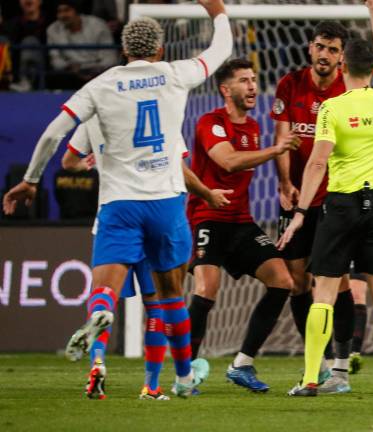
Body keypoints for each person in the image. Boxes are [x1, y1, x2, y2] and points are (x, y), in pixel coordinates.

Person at [2, 0, 233, 398]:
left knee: (105, 288)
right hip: (164, 201)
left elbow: (53, 135)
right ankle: (180, 378)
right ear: (159, 50)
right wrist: (218, 13)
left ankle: (100, 314)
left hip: (119, 205)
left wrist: (31, 180)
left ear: (123, 51)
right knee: (170, 296)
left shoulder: (100, 85)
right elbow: (220, 51)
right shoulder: (174, 74)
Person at [277, 0, 373, 397]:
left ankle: (311, 379)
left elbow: (317, 163)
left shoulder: (333, 108)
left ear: (342, 67)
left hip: (341, 206)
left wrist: (301, 213)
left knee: (324, 290)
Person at [62, 115, 231, 400]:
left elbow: (68, 162)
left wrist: (86, 163)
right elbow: (179, 169)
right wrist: (205, 193)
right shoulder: (159, 112)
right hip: (154, 220)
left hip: (113, 218)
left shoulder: (95, 114)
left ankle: (98, 363)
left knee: (104, 297)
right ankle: (152, 386)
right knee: (157, 307)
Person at [185, 58, 300, 393]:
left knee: (282, 281)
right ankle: (186, 372)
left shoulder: (252, 127)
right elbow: (227, 161)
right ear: (225, 89)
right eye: (243, 81)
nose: (252, 86)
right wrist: (275, 149)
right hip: (208, 217)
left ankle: (242, 364)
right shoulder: (211, 122)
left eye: (253, 80)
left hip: (240, 221)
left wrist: (284, 181)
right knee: (206, 289)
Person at [270, 21, 358, 393]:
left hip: (335, 198)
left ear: (342, 56)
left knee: (336, 281)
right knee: (297, 282)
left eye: (333, 49)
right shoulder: (290, 85)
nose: (325, 54)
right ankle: (317, 362)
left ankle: (340, 365)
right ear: (310, 48)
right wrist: (285, 183)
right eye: (320, 46)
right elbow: (283, 139)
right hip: (296, 198)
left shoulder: (350, 90)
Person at [46, 0, 117, 89]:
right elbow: (56, 61)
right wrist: (71, 68)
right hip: (72, 74)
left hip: (98, 72)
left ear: (76, 11)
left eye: (66, 10)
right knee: (57, 78)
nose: (62, 15)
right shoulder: (53, 30)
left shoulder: (98, 25)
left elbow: (110, 58)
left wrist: (94, 70)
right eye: (59, 12)